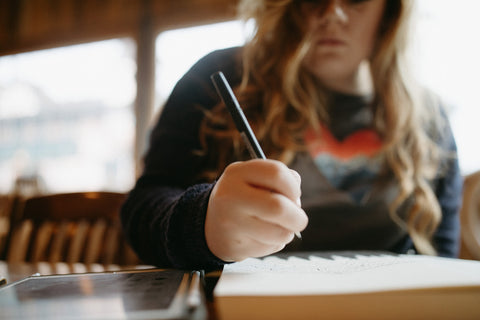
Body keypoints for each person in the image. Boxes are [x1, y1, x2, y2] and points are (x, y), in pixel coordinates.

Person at [121, 0, 462, 270]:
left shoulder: (428, 119)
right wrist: (203, 225)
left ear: (391, 11)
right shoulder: (220, 80)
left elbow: (442, 258)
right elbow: (142, 207)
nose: (332, 13)